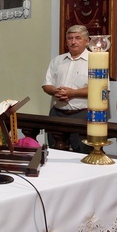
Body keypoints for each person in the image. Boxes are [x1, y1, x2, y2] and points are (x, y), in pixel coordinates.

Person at [42, 24, 90, 153]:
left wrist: (73, 93)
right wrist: (55, 91)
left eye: (78, 38)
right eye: (70, 38)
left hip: (82, 114)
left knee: (81, 153)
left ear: (87, 41)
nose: (73, 42)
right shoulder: (57, 60)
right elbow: (46, 84)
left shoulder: (95, 61)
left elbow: (100, 89)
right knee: (55, 151)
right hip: (57, 113)